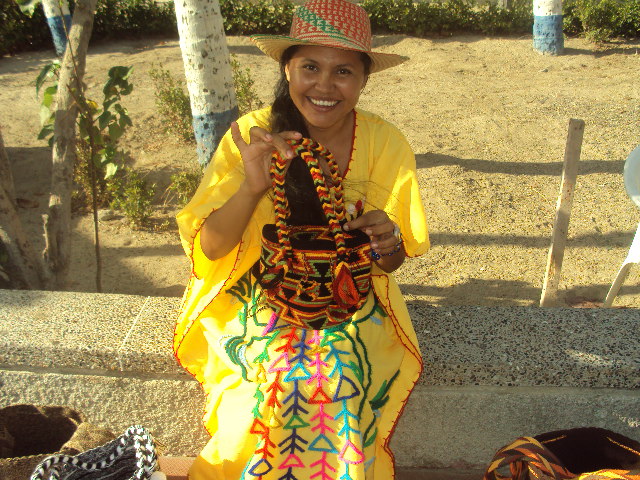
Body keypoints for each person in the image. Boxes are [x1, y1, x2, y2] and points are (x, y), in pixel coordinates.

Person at [174, 0, 430, 478]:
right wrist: (252, 186)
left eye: (343, 72)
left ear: (364, 79)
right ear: (287, 69)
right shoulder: (251, 135)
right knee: (266, 386)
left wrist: (388, 239)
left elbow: (390, 262)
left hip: (350, 294)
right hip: (256, 292)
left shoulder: (386, 142)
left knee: (342, 375)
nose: (325, 86)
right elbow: (211, 249)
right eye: (310, 67)